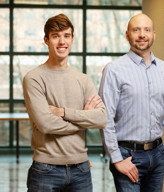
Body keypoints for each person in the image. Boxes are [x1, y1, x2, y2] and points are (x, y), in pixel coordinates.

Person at [99, 13, 164, 192]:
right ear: (127, 34)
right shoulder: (114, 70)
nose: (142, 35)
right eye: (136, 30)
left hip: (157, 153)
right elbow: (105, 119)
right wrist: (117, 159)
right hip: (127, 155)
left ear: (154, 34)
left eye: (147, 30)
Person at [23, 14, 107, 192]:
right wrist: (84, 121)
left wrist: (63, 112)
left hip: (82, 169)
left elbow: (101, 119)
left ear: (72, 39)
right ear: (46, 40)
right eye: (56, 36)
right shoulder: (34, 78)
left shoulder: (83, 80)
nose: (62, 41)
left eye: (66, 36)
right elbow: (45, 124)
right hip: (46, 169)